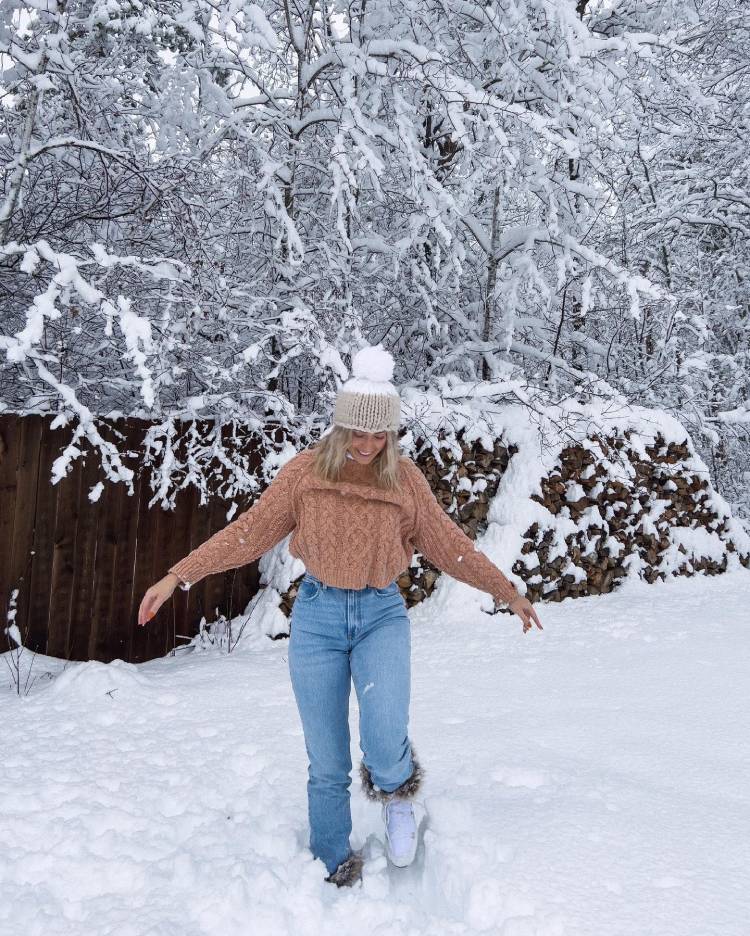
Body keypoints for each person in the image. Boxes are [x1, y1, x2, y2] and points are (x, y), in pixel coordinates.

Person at [137, 344, 542, 887]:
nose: (369, 446)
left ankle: (397, 793)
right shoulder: (305, 473)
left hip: (380, 614)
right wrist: (176, 575)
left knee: (381, 736)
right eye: (359, 433)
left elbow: (450, 545)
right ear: (339, 427)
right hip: (317, 617)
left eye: (381, 436)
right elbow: (249, 533)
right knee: (326, 759)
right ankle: (332, 866)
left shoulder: (405, 481)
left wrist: (506, 590)